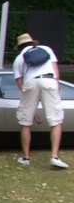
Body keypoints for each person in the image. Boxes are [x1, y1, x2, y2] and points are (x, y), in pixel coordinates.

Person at [13, 33, 68, 168]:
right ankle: (54, 156)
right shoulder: (47, 50)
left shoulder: (18, 59)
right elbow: (56, 72)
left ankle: (26, 158)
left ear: (20, 47)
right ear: (33, 43)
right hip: (49, 80)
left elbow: (20, 83)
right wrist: (56, 86)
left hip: (30, 83)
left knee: (25, 122)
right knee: (55, 120)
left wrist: (32, 109)